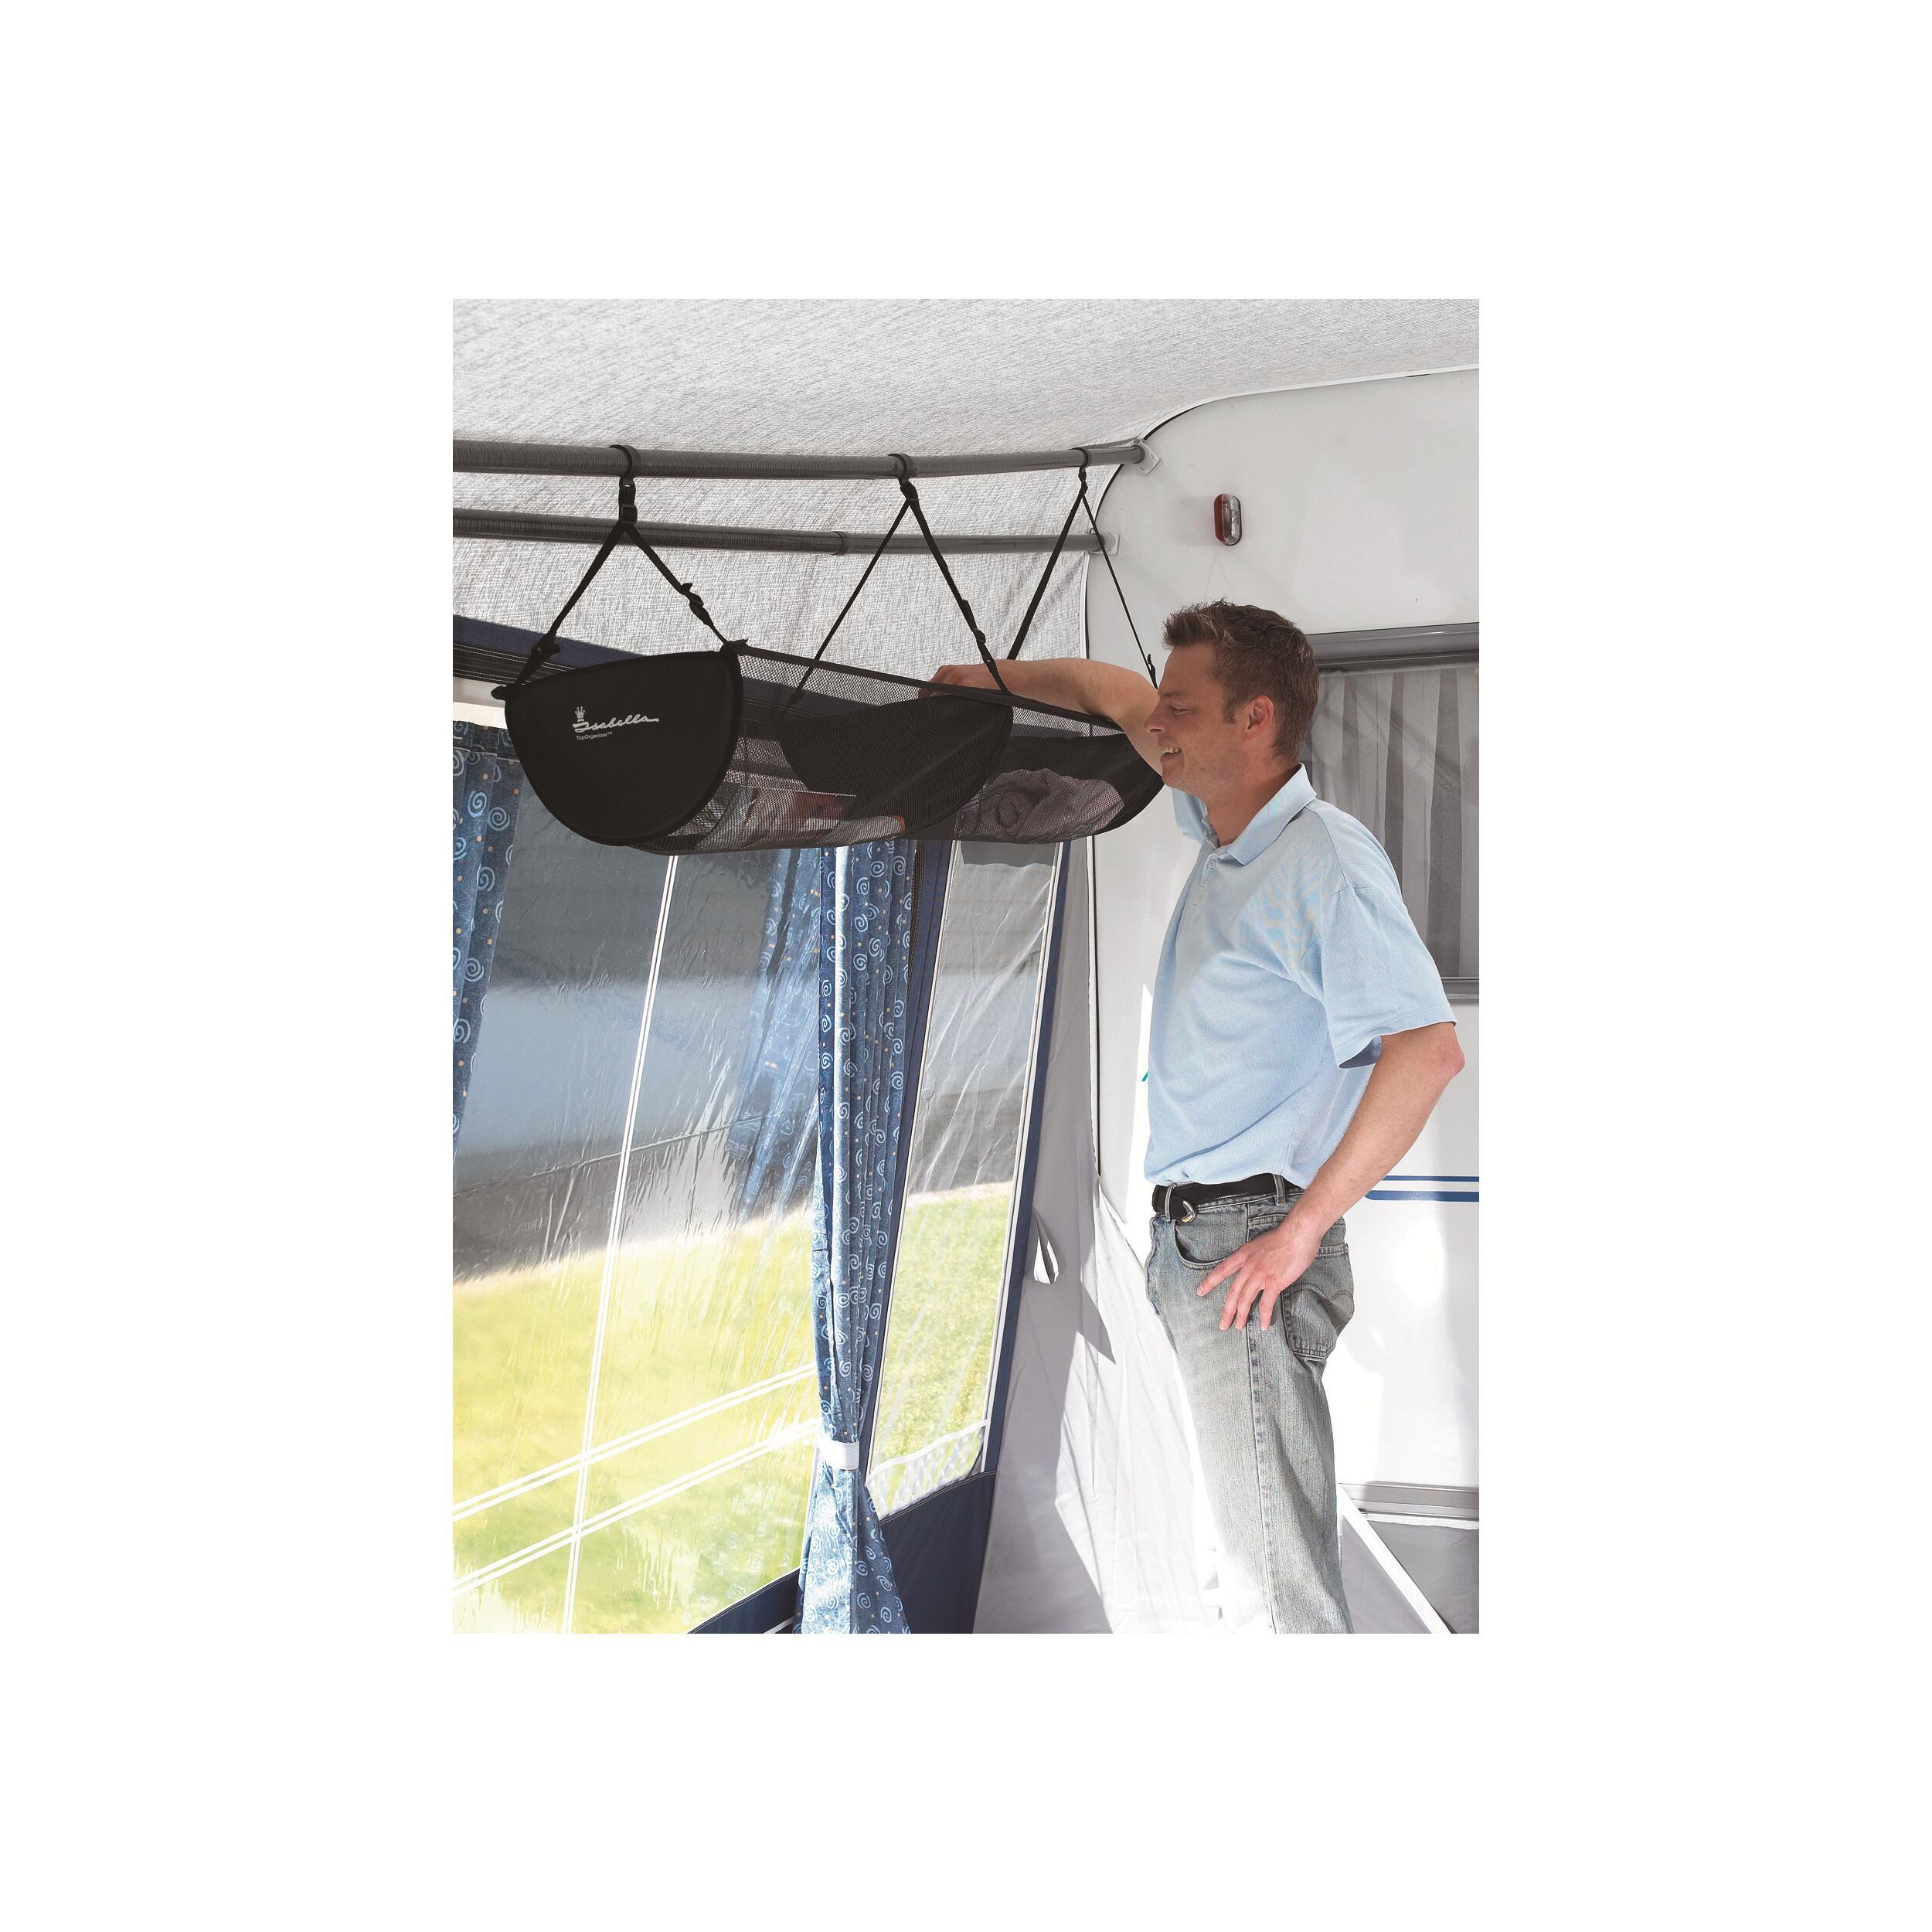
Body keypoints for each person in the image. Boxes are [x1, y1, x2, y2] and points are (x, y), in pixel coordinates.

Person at [931, 600, 1464, 1632]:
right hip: (1202, 1241)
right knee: (1242, 1567)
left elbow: (1427, 1051)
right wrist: (989, 678)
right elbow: (1109, 693)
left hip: (1246, 1244)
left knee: (1271, 1588)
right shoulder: (1225, 830)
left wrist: (1298, 1232)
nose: (1158, 725)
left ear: (1254, 720)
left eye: (1183, 707)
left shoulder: (1320, 858)